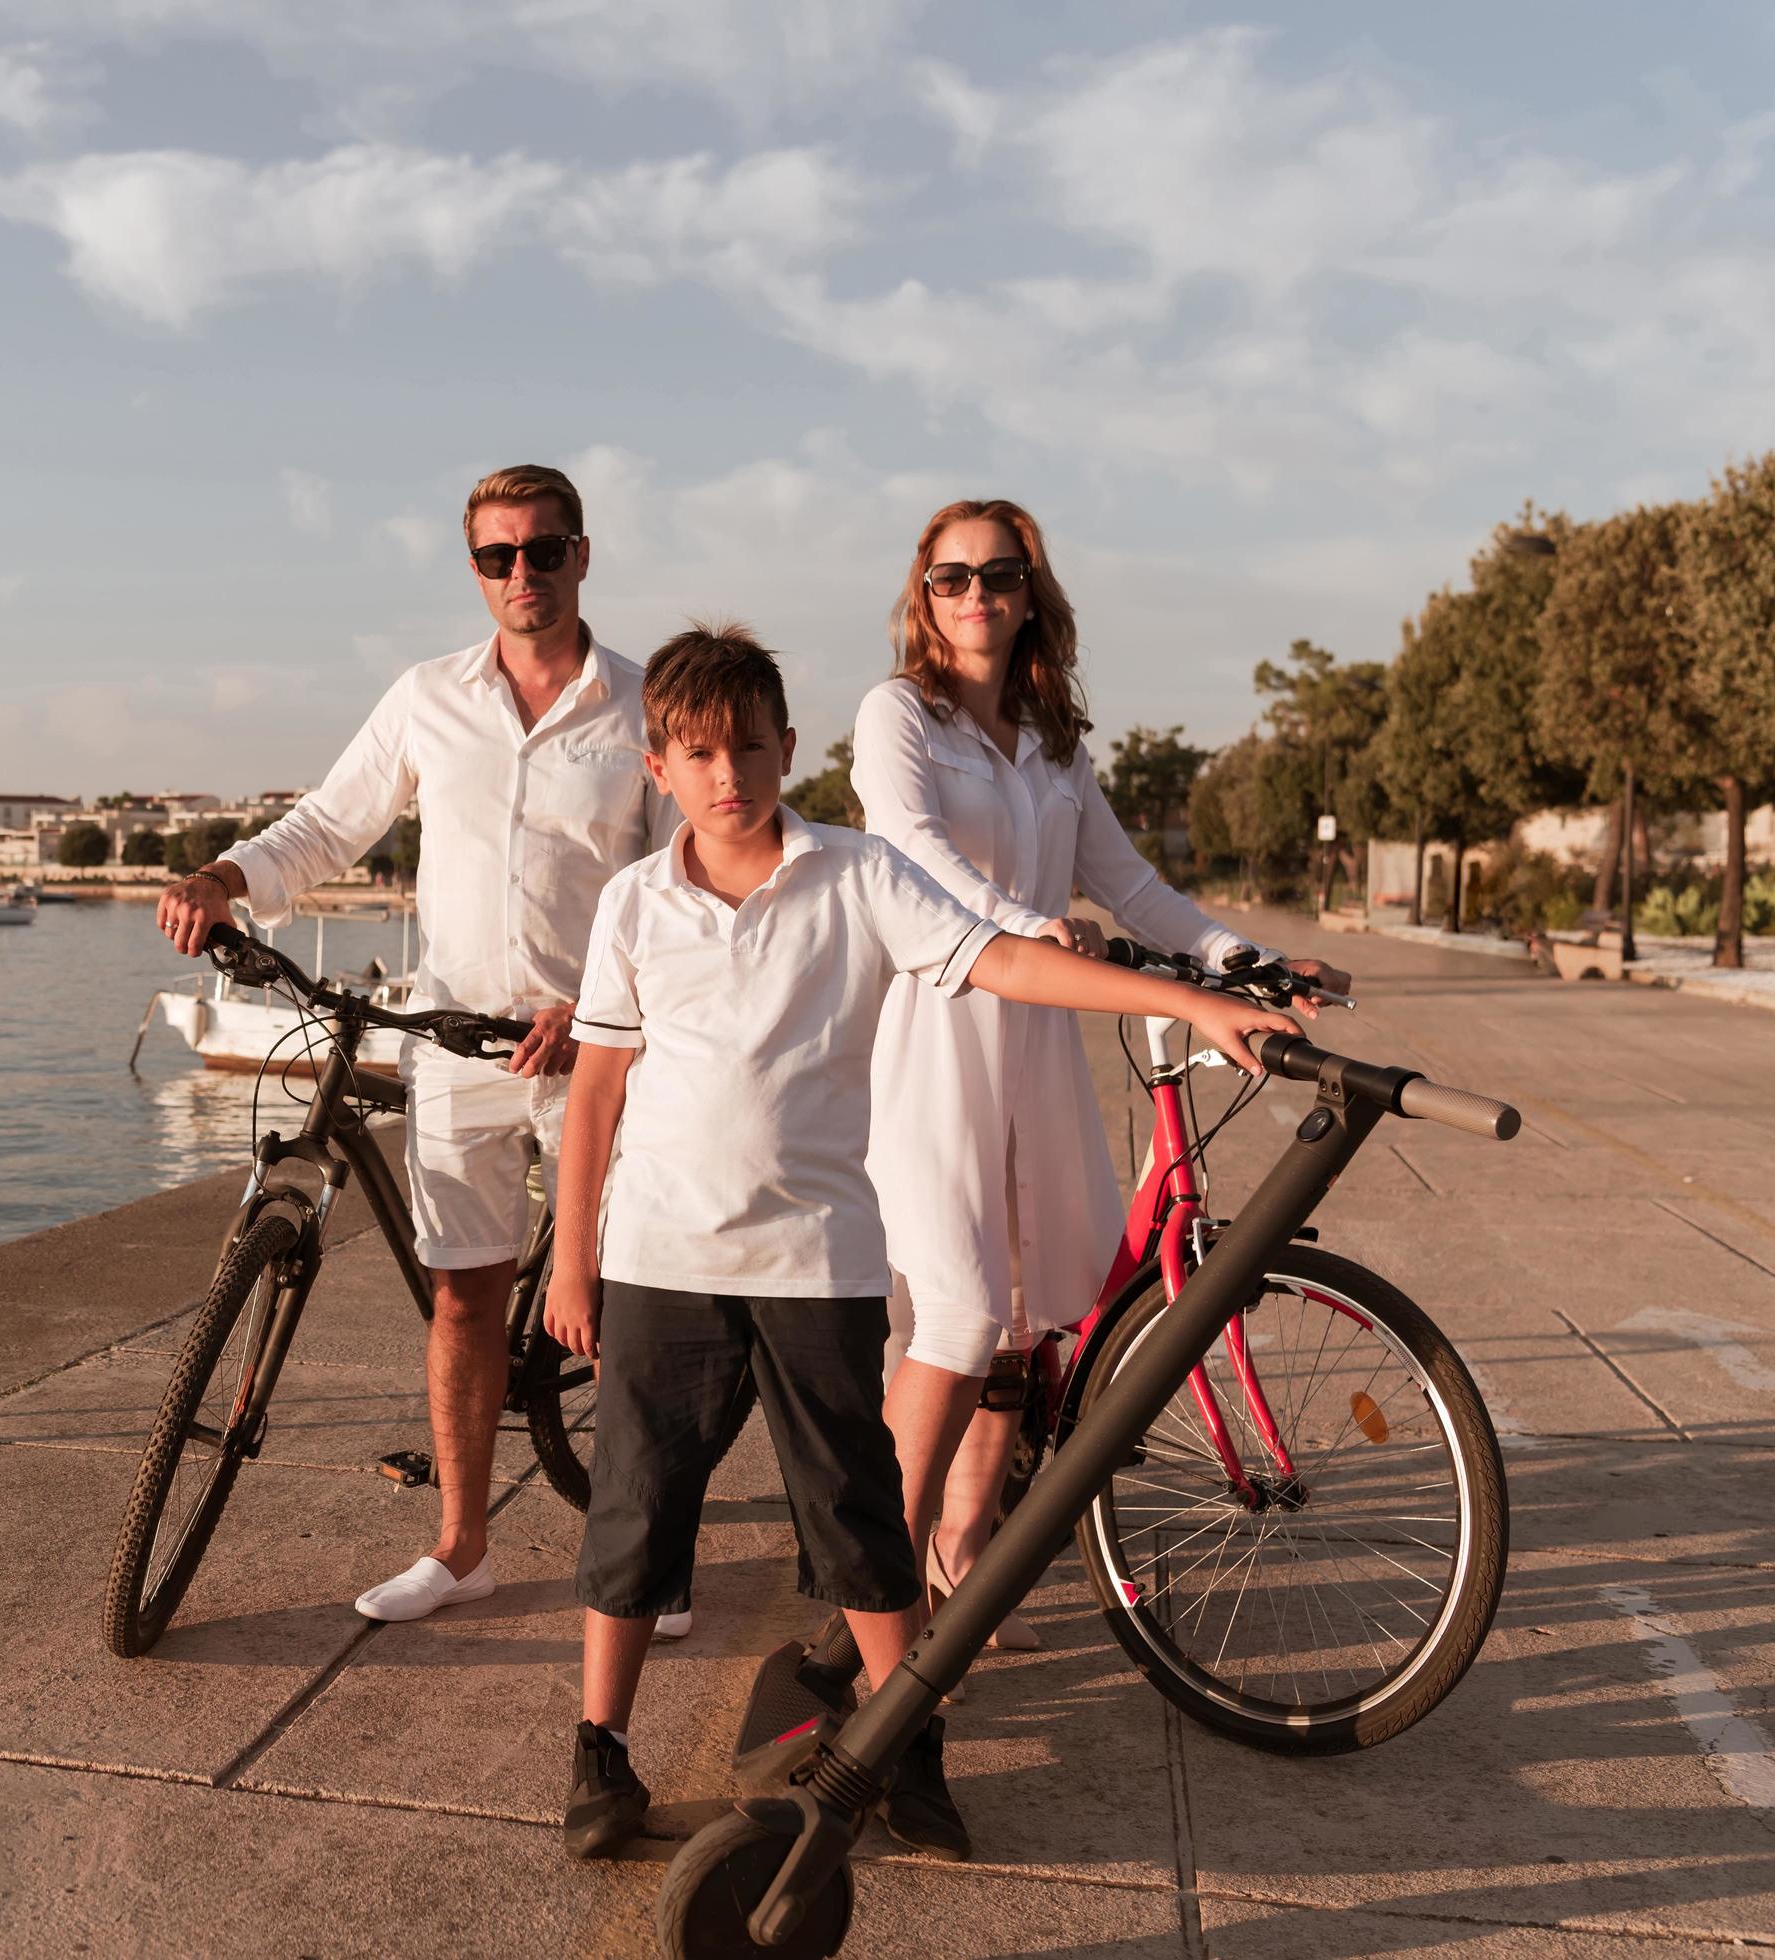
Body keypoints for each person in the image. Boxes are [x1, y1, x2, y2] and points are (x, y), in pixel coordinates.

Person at [544, 623, 1295, 1861]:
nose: (727, 772)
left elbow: (1005, 960)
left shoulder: (854, 874)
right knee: (635, 1509)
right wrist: (573, 1260)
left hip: (817, 1263)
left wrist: (1191, 999)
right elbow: (595, 1095)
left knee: (857, 1519)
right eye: (697, 752)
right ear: (655, 766)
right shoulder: (634, 904)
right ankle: (599, 1748)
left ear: (791, 749)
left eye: (748, 745)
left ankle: (900, 1741)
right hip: (662, 1261)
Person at [851, 498, 1348, 1763]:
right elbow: (906, 853)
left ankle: (970, 1548)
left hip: (1043, 1044)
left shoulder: (1055, 741)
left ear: (1030, 593)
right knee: (953, 1313)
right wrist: (1020, 920)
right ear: (925, 592)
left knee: (1024, 1314)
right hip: (939, 1034)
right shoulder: (897, 716)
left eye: (997, 575)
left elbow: (1128, 883)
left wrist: (1242, 959)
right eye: (951, 575)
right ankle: (882, 1610)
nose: (974, 593)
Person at [155, 464, 684, 1631]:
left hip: (595, 1047)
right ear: (475, 570)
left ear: (583, 555)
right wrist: (222, 878)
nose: (522, 575)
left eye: (544, 551)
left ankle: (648, 1547)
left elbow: (679, 883)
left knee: (636, 1299)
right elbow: (329, 822)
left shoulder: (645, 703)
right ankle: (462, 1545)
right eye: (498, 557)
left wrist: (608, 1004)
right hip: (453, 1043)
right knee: (461, 1298)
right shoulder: (429, 695)